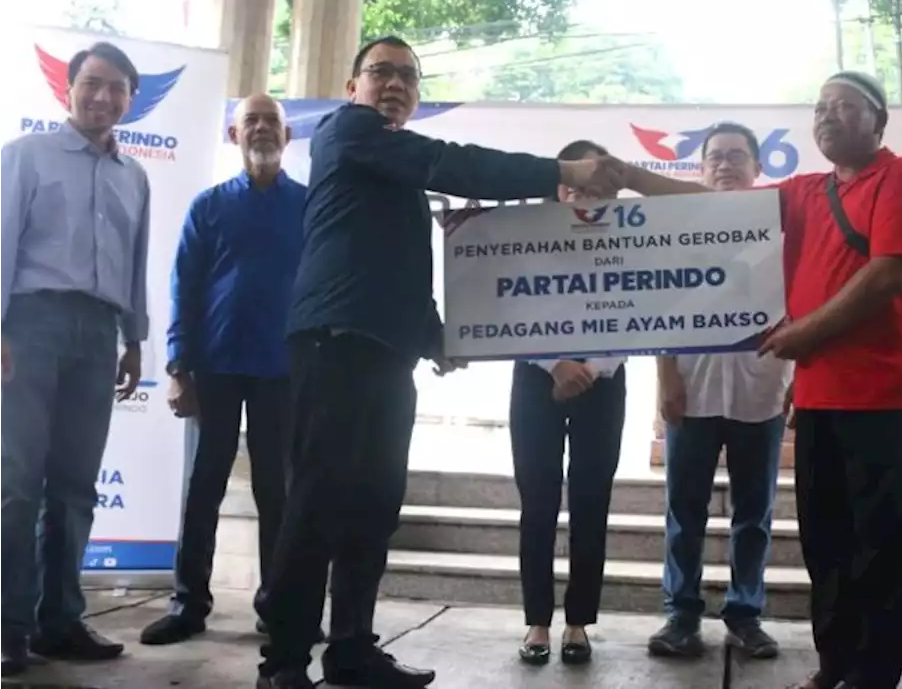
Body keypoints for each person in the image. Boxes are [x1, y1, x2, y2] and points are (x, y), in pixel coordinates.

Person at [256, 36, 626, 689]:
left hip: (386, 355)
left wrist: (437, 336)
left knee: (374, 506)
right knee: (318, 504)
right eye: (380, 72)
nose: (394, 84)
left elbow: (393, 263)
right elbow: (455, 162)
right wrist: (558, 173)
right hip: (334, 345)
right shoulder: (349, 134)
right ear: (352, 88)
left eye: (407, 76)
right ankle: (283, 662)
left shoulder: (391, 170)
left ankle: (351, 650)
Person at [611, 71, 902, 689]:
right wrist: (628, 176)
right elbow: (711, 206)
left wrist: (808, 332)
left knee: (883, 548)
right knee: (827, 544)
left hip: (883, 396)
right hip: (817, 398)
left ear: (879, 121)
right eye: (820, 107)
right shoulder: (807, 190)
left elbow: (890, 272)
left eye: (844, 106)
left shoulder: (901, 178)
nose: (828, 116)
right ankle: (834, 664)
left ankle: (872, 676)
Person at [0, 41, 151, 676]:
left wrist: (135, 339)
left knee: (74, 487)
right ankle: (8, 626)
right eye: (93, 83)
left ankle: (60, 621)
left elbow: (137, 264)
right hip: (30, 326)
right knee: (14, 483)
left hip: (99, 335)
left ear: (129, 100)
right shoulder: (25, 157)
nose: (103, 97)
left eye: (117, 88)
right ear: (68, 88)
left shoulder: (133, 177)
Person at [138, 94, 306, 645]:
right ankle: (188, 605)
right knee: (203, 486)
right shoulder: (208, 206)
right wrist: (179, 366)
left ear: (287, 137)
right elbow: (183, 287)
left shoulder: (309, 207)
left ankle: (280, 607)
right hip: (213, 366)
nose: (261, 129)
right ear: (234, 137)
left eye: (271, 122)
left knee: (277, 493)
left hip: (283, 370)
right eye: (250, 121)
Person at [646, 122, 789, 661]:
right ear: (700, 169)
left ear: (757, 168)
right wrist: (665, 377)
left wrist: (794, 378)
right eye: (715, 158)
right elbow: (657, 304)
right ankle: (681, 614)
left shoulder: (780, 228)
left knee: (754, 513)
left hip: (762, 389)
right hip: (693, 387)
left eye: (736, 156)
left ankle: (745, 614)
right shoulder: (677, 228)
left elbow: (796, 304)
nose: (725, 165)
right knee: (685, 509)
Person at [512, 139, 627, 667]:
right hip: (536, 378)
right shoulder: (521, 236)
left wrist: (591, 369)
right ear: (558, 187)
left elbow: (641, 307)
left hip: (604, 382)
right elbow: (504, 304)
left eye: (593, 186)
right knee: (536, 503)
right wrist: (555, 363)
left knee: (590, 503)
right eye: (573, 185)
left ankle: (578, 622)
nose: (582, 194)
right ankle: (537, 619)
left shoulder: (632, 238)